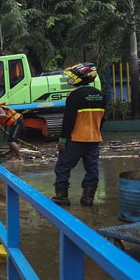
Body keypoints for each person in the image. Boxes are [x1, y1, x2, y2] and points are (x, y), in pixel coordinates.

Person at [52, 62, 105, 207]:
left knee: (63, 167)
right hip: (94, 139)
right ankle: (88, 198)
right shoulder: (101, 95)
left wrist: (62, 139)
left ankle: (62, 196)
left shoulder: (74, 95)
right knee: (92, 169)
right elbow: (102, 119)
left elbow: (68, 120)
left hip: (76, 139)